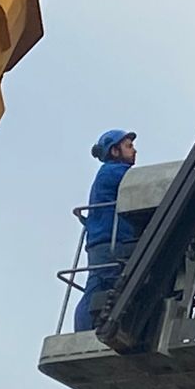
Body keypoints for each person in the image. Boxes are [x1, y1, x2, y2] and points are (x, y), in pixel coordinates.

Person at [75, 128, 137, 332]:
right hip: (110, 242)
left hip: (105, 241)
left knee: (101, 286)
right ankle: (85, 332)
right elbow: (144, 183)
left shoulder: (110, 173)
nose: (134, 150)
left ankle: (88, 329)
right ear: (114, 151)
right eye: (128, 146)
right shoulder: (115, 172)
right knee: (100, 287)